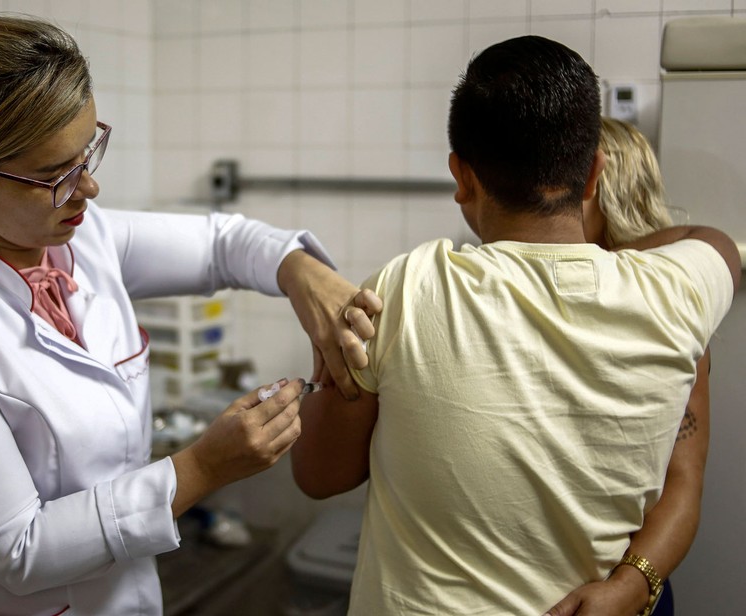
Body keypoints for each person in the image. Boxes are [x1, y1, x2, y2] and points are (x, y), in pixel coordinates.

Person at [0, 15, 377, 616]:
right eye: (55, 175)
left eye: (87, 154)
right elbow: (18, 549)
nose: (89, 190)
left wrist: (303, 274)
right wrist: (205, 467)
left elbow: (224, 244)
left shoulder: (82, 240)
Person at [291, 36, 740, 616]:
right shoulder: (678, 296)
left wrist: (328, 359)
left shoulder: (404, 288)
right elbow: (717, 243)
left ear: (462, 175)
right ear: (592, 175)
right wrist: (635, 266)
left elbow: (318, 475)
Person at [545, 118, 710, 615]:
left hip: (624, 592)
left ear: (602, 185)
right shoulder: (534, 289)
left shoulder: (663, 310)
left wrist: (628, 587)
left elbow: (682, 482)